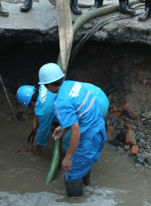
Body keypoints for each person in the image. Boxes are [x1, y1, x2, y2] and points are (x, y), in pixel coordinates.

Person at [39, 63, 109, 197]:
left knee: (72, 175)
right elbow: (80, 111)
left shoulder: (60, 102)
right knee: (85, 163)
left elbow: (76, 131)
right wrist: (64, 128)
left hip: (89, 137)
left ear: (47, 85)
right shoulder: (73, 85)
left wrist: (68, 157)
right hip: (100, 129)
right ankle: (87, 190)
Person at [16, 84, 58, 155]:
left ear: (32, 103)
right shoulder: (43, 86)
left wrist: (37, 149)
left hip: (78, 116)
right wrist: (35, 122)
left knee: (66, 141)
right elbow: (40, 103)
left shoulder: (43, 112)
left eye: (29, 106)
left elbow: (43, 133)